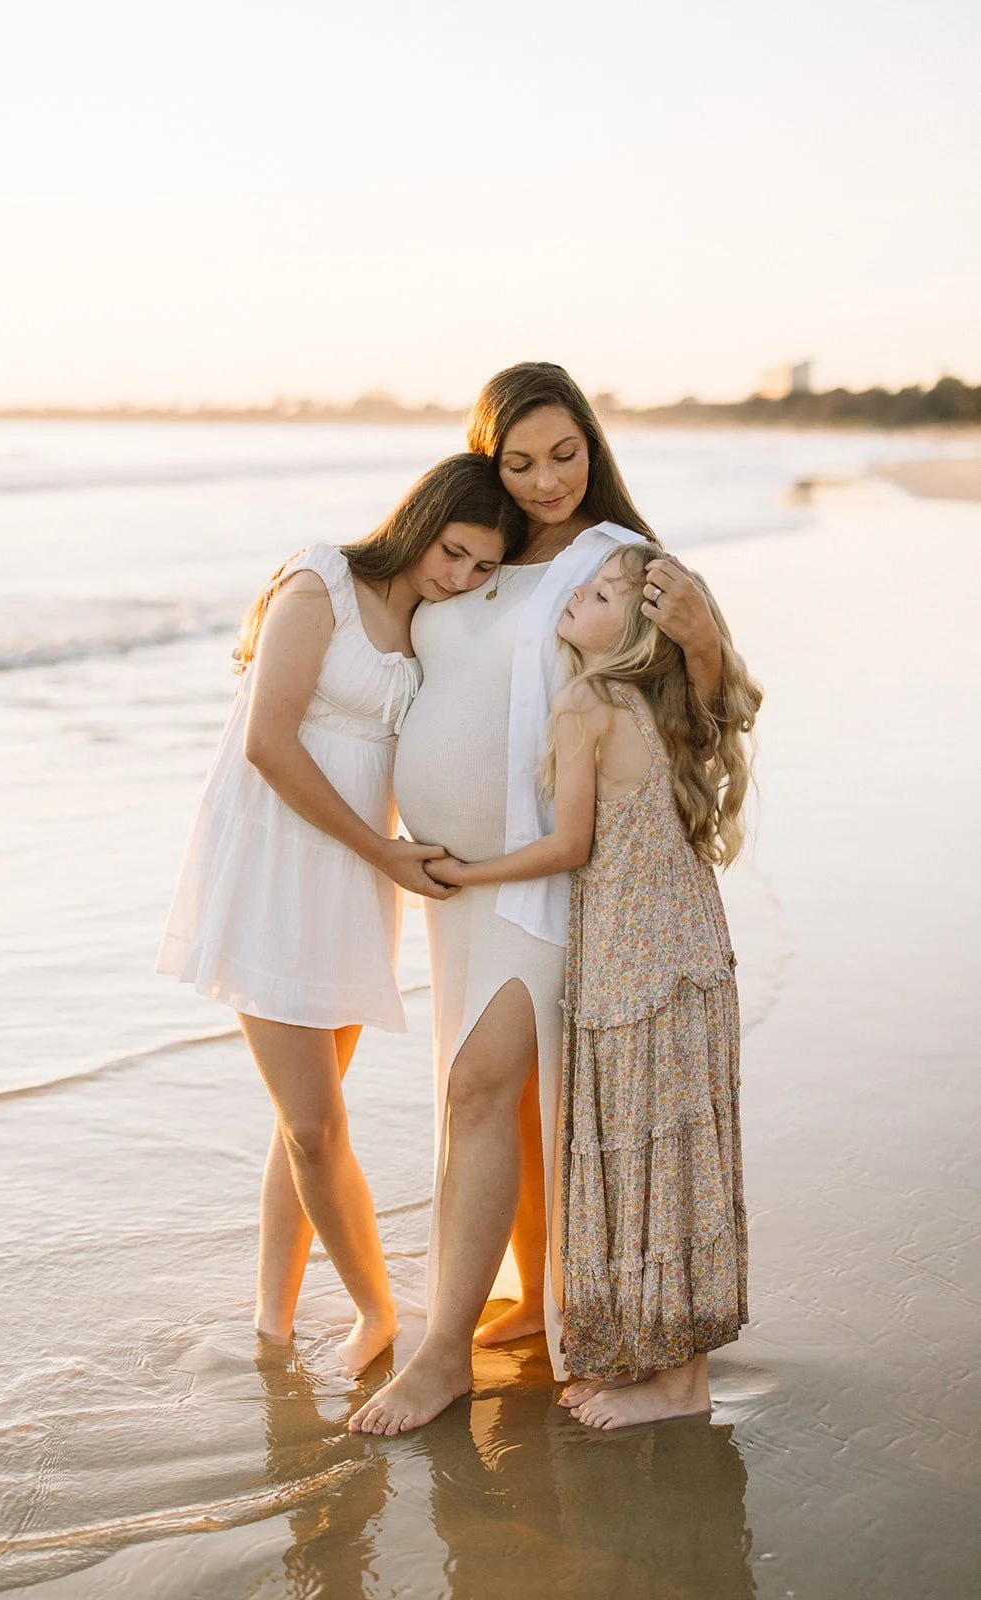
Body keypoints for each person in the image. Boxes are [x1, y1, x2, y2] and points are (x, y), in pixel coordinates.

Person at [350, 362, 726, 1435]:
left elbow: (695, 728)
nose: (546, 478)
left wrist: (697, 639)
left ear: (592, 446)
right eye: (518, 461)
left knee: (479, 1085)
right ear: (487, 459)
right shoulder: (477, 555)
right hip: (450, 884)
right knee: (495, 1099)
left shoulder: (622, 562)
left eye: (563, 453)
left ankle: (437, 1357)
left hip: (543, 880)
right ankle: (527, 1297)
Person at [157, 454, 525, 1376]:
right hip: (274, 872)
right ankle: (376, 1314)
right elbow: (269, 743)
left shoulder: (432, 622)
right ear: (421, 520)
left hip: (353, 884)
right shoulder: (320, 579)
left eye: (484, 567)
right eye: (455, 552)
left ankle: (271, 1323)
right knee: (315, 1127)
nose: (464, 578)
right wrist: (386, 856)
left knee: (304, 1121)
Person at [418, 543, 761, 1428]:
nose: (580, 593)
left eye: (604, 592)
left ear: (638, 629)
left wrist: (471, 871)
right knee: (675, 1158)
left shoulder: (585, 702)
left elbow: (569, 847)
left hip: (632, 956)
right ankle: (666, 1367)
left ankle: (678, 1386)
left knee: (645, 1155)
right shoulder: (655, 699)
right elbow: (733, 712)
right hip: (688, 945)